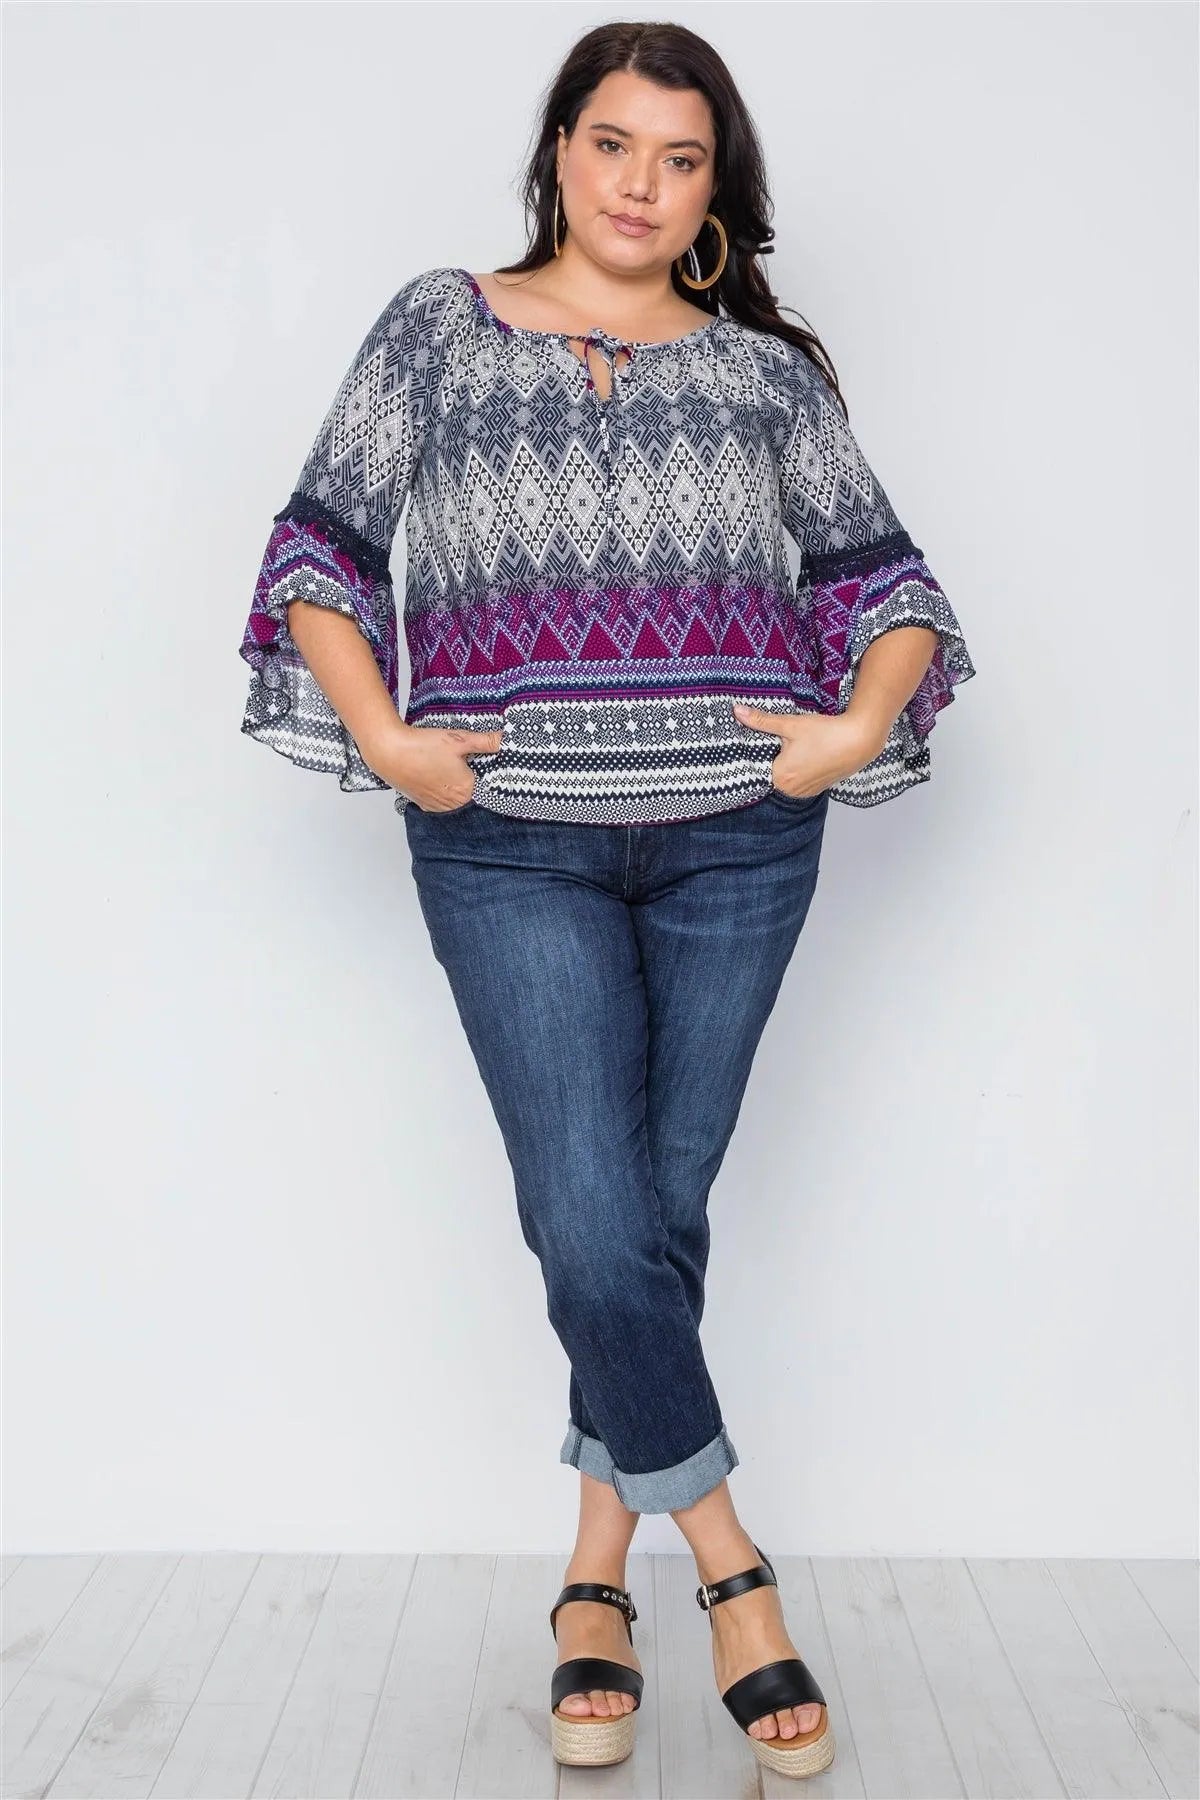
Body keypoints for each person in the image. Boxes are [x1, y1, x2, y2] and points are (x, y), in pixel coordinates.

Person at [237, 20, 976, 1782]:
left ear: (717, 190)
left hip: (739, 842)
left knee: (651, 1218)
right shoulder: (440, 326)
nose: (642, 184)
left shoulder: (765, 376)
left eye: (683, 157)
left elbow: (894, 588)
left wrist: (844, 732)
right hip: (507, 840)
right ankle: (730, 1570)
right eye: (615, 143)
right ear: (558, 150)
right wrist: (391, 739)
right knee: (590, 1222)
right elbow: (318, 553)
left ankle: (590, 1579)